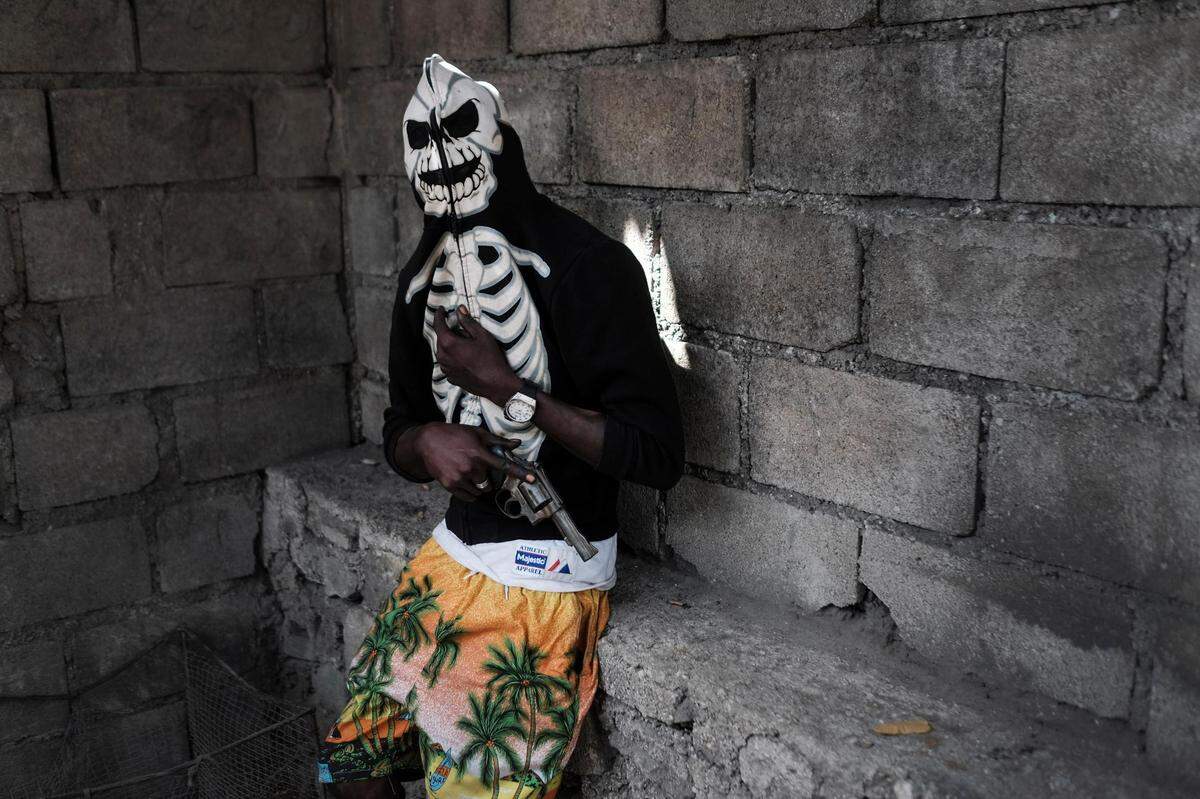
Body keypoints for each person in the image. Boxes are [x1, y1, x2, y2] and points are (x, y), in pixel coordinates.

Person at [317, 54, 684, 799]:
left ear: (498, 141)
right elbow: (399, 426)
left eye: (457, 131)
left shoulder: (590, 268)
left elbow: (657, 452)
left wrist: (512, 388)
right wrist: (426, 444)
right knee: (351, 768)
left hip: (549, 582)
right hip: (453, 559)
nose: (443, 157)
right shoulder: (421, 278)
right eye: (423, 139)